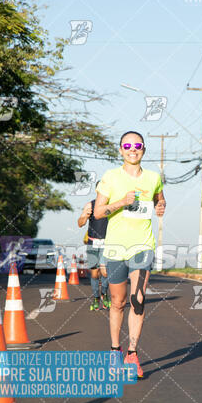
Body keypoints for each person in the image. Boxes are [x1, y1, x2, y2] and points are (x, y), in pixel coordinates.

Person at [94, 131, 166, 378]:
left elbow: (160, 197)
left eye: (137, 145)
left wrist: (161, 205)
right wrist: (121, 203)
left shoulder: (154, 177)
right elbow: (98, 212)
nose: (132, 149)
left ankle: (132, 355)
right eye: (127, 145)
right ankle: (115, 350)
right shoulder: (110, 177)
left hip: (142, 246)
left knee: (138, 299)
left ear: (143, 149)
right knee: (118, 302)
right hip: (115, 247)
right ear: (121, 150)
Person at [78, 184, 110, 310]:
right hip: (92, 243)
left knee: (105, 272)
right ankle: (96, 298)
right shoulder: (90, 205)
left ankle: (104, 294)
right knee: (95, 274)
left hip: (107, 243)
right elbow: (80, 223)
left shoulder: (111, 205)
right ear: (98, 190)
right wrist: (84, 216)